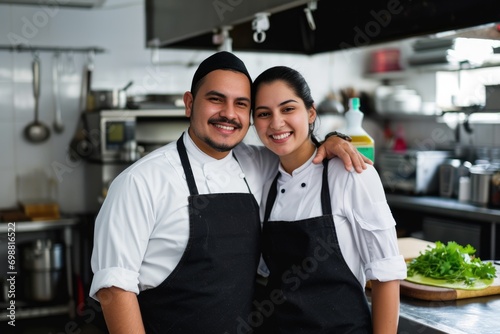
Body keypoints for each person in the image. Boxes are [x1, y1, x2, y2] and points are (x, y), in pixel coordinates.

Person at [89, 52, 370, 333]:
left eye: (241, 104)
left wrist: (334, 140)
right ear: (189, 104)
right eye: (215, 99)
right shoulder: (140, 181)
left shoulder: (257, 164)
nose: (229, 113)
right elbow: (114, 288)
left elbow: (300, 152)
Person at [251, 66, 407, 334]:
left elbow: (386, 273)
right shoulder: (263, 180)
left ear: (311, 112)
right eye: (264, 114)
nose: (276, 123)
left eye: (288, 109)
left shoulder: (351, 173)